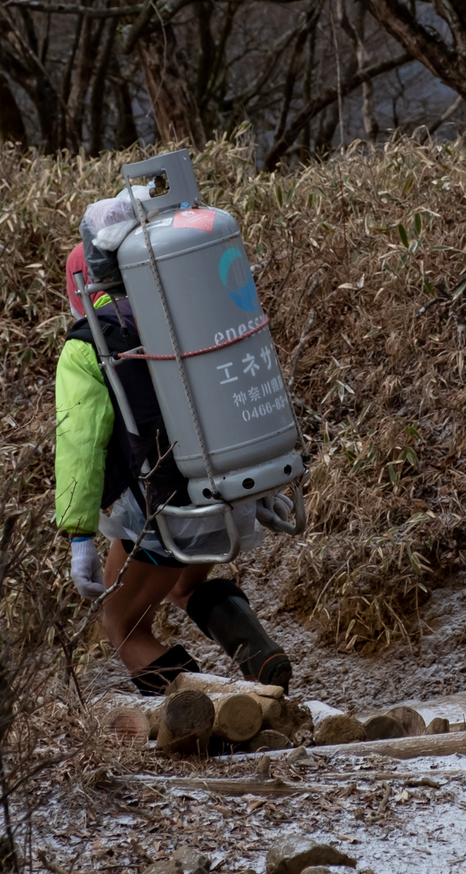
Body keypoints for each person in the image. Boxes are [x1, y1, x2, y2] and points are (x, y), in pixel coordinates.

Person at [55, 230, 294, 695]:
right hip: (233, 490)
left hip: (167, 508)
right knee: (182, 587)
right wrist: (260, 486)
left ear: (80, 291)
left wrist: (80, 535)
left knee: (120, 623)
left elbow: (78, 445)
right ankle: (263, 664)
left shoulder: (88, 345)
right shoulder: (186, 316)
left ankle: (222, 711)